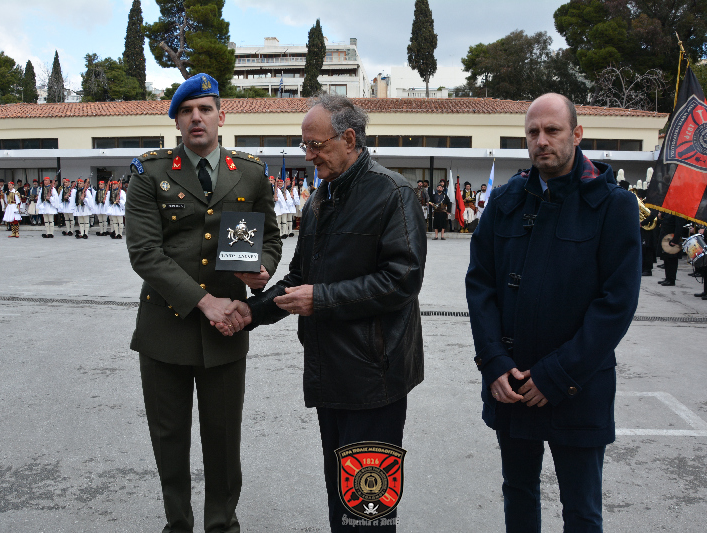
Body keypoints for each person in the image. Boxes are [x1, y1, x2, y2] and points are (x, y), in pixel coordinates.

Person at [223, 94, 426, 533]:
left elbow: (403, 280)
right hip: (330, 371)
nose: (308, 156)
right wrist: (250, 312)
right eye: (305, 146)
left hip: (375, 378)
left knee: (368, 508)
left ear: (349, 139)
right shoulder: (320, 199)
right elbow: (299, 278)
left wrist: (323, 300)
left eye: (315, 145)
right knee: (340, 496)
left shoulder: (393, 193)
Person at [466, 93, 641, 533]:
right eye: (533, 132)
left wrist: (557, 375)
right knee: (519, 494)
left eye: (552, 130)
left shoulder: (613, 205)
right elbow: (480, 285)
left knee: (582, 510)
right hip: (512, 383)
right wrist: (493, 362)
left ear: (576, 134)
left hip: (579, 386)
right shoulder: (504, 201)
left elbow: (617, 302)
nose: (541, 140)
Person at [125, 72, 281, 533]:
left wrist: (262, 269)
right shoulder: (150, 172)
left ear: (221, 116)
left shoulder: (250, 172)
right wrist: (204, 301)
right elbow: (145, 252)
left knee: (223, 440)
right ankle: (178, 523)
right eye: (187, 111)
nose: (197, 117)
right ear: (176, 121)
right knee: (169, 439)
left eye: (205, 109)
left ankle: (221, 524)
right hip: (164, 330)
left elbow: (270, 238)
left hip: (226, 330)